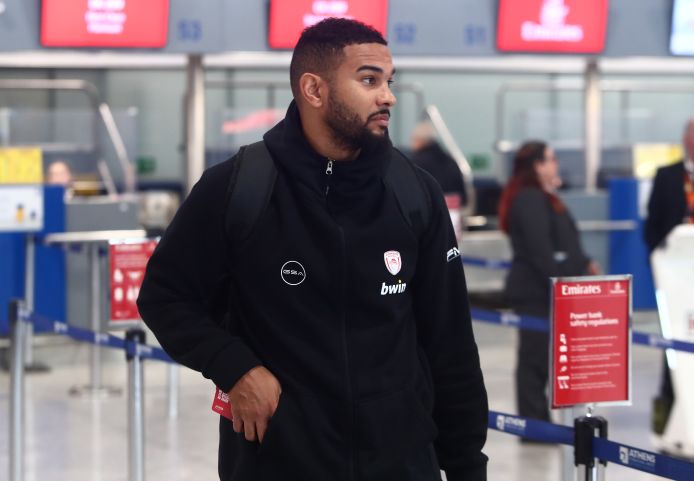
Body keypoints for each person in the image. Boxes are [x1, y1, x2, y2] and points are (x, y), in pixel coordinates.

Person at [138, 18, 488, 481]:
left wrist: (467, 466)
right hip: (277, 461)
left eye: (389, 81)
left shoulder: (414, 193)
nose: (388, 97)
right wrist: (235, 368)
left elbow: (450, 342)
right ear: (314, 90)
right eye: (369, 80)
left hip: (401, 461)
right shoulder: (239, 187)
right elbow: (165, 297)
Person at [498, 141, 599, 427]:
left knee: (542, 357)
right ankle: (534, 423)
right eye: (551, 159)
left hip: (547, 288)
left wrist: (583, 262)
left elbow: (562, 240)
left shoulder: (544, 196)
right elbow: (540, 249)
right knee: (535, 359)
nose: (556, 165)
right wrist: (560, 285)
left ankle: (539, 420)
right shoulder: (530, 199)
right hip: (536, 291)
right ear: (537, 165)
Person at [644, 115, 694, 434]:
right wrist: (662, 261)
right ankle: (667, 416)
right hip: (674, 279)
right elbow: (652, 226)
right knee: (674, 343)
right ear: (687, 140)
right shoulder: (667, 177)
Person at [410, 121, 467, 207]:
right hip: (452, 209)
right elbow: (463, 195)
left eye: (413, 139)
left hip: (427, 209)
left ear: (420, 140)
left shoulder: (415, 163)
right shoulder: (450, 161)